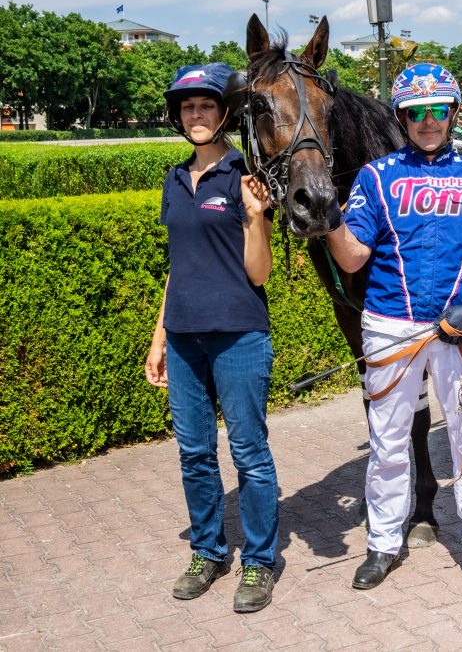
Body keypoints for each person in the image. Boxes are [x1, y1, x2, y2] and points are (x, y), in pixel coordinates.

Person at [325, 63, 462, 594]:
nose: (428, 121)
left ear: (453, 114)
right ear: (402, 118)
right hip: (390, 327)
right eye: (416, 112)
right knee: (387, 444)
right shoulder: (376, 177)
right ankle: (383, 544)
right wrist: (329, 219)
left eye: (439, 110)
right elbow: (351, 259)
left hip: (456, 332)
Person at [145, 63, 279, 614]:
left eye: (205, 106)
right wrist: (158, 336)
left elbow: (260, 274)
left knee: (248, 452)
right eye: (187, 108)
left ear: (225, 113)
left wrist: (255, 218)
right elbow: (178, 265)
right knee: (195, 453)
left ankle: (260, 561)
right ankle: (208, 552)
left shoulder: (246, 177)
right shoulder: (175, 179)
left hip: (239, 335)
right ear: (178, 117)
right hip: (182, 337)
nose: (195, 115)